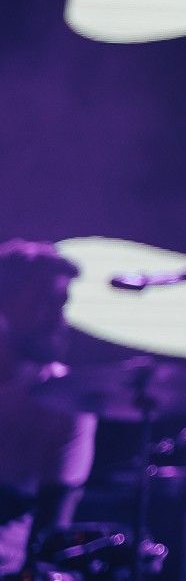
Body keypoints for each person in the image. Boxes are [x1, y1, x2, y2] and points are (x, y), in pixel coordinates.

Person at [0, 241, 95, 579]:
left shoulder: (67, 399)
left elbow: (52, 530)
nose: (59, 320)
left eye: (63, 304)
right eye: (45, 303)